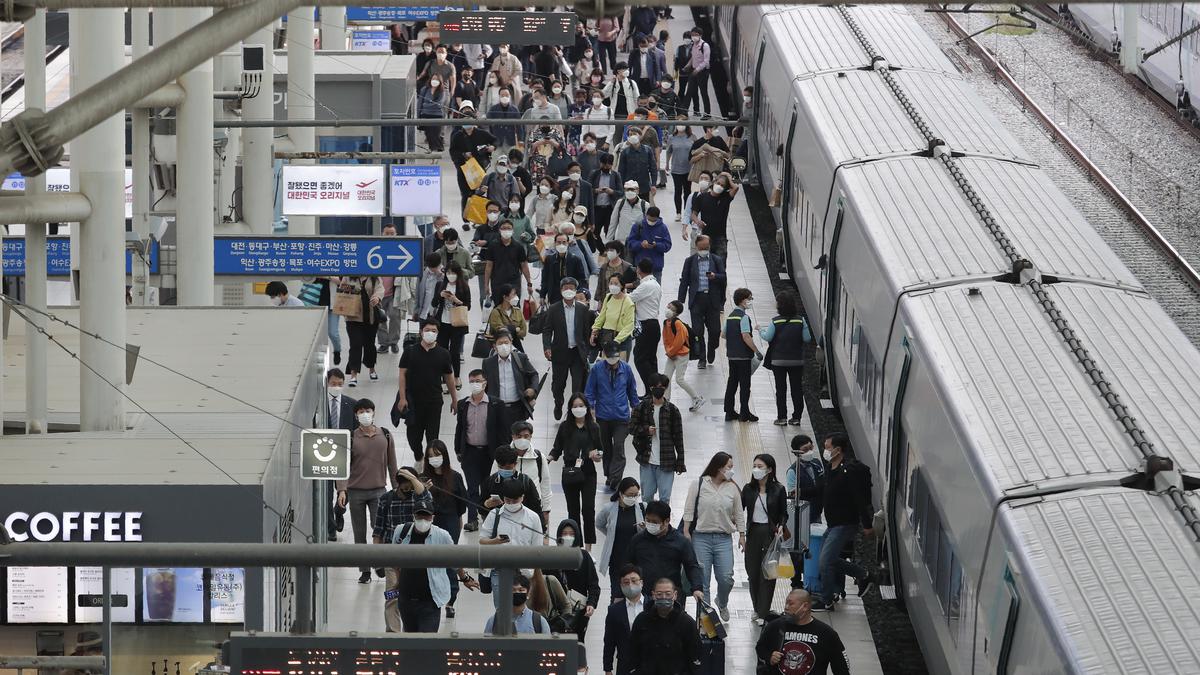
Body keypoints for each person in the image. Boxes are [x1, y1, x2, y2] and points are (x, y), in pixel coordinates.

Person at [335, 400, 400, 583]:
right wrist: (342, 490)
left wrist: (396, 489)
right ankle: (365, 571)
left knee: (378, 530)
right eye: (361, 411)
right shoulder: (351, 438)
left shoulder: (385, 435)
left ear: (374, 412)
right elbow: (343, 467)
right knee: (359, 532)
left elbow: (392, 464)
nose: (365, 414)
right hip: (356, 492)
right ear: (356, 415)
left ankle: (379, 562)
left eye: (368, 410)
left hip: (379, 491)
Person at [389, 503, 480, 633]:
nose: (423, 520)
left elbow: (455, 560)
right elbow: (394, 560)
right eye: (420, 516)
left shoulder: (442, 536)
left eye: (427, 517)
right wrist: (398, 581)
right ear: (413, 516)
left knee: (427, 643)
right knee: (409, 640)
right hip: (406, 599)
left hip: (430, 601)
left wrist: (465, 578)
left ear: (433, 517)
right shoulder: (401, 531)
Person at [813, 434, 875, 611]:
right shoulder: (830, 468)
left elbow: (859, 499)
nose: (825, 450)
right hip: (833, 524)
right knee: (827, 559)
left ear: (838, 450)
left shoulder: (848, 472)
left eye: (827, 447)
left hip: (845, 523)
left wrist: (867, 524)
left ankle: (826, 599)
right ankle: (863, 575)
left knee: (825, 561)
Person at [681, 451, 746, 620]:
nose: (731, 470)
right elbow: (689, 509)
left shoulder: (732, 488)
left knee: (726, 577)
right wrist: (686, 531)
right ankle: (707, 619)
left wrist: (742, 534)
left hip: (723, 539)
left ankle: (722, 602)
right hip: (701, 538)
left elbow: (739, 513)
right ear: (718, 467)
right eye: (729, 467)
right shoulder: (699, 484)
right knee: (703, 580)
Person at [375, 467, 433, 626]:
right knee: (392, 596)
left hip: (417, 556)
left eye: (412, 486)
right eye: (405, 487)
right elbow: (378, 531)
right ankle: (392, 633)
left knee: (416, 596)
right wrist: (377, 560)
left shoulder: (418, 498)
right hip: (392, 556)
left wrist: (413, 478)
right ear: (398, 485)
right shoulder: (386, 499)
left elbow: (425, 496)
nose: (409, 490)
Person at [419, 440, 469, 617]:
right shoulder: (423, 477)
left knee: (450, 562)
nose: (434, 459)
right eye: (430, 456)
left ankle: (450, 601)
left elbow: (462, 502)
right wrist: (425, 490)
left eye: (437, 455)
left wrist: (458, 519)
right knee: (429, 561)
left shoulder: (455, 476)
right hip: (429, 522)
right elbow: (418, 502)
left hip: (450, 521)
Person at [397, 319, 457, 462]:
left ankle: (430, 463)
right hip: (413, 401)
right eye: (427, 330)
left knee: (432, 437)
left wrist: (455, 399)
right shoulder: (410, 351)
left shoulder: (443, 354)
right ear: (421, 332)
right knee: (413, 436)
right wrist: (402, 397)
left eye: (434, 331)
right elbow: (402, 375)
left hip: (434, 402)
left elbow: (449, 378)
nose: (430, 333)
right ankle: (418, 456)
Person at [454, 369, 505, 532]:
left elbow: (502, 430)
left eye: (478, 380)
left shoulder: (496, 404)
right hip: (469, 451)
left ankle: (484, 513)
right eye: (472, 381)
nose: (475, 384)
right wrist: (458, 449)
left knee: (486, 485)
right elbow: (460, 428)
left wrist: (502, 452)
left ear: (485, 382)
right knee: (472, 487)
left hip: (488, 452)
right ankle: (472, 519)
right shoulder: (463, 404)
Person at [480, 480, 546, 606]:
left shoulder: (533, 518)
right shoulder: (495, 515)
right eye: (507, 500)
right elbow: (482, 540)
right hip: (499, 571)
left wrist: (534, 577)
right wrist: (495, 541)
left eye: (514, 500)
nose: (510, 503)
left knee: (521, 611)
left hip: (524, 573)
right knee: (502, 610)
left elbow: (538, 549)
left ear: (522, 497)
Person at [585, 341, 640, 491]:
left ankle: (616, 478)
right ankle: (609, 475)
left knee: (619, 447)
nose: (613, 364)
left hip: (622, 417)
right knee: (606, 448)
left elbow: (632, 391)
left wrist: (636, 409)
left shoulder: (626, 369)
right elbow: (589, 391)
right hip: (603, 417)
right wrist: (590, 409)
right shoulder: (596, 369)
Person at [550, 394, 604, 546]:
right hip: (570, 472)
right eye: (575, 406)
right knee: (573, 511)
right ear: (570, 409)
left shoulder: (594, 427)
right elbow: (557, 448)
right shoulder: (565, 427)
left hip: (588, 472)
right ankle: (576, 546)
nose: (578, 409)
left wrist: (597, 455)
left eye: (581, 405)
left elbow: (601, 450)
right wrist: (547, 459)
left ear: (586, 407)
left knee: (588, 509)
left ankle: (588, 547)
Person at [756, 589, 851, 675]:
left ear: (805, 606)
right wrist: (769, 657)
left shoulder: (826, 633)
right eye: (786, 603)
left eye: (791, 604)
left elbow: (841, 667)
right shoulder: (776, 626)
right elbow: (760, 647)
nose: (786, 607)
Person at [624, 500, 704, 599]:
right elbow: (628, 565)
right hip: (644, 595)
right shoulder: (638, 539)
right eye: (648, 520)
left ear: (666, 521)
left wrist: (697, 588)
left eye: (655, 522)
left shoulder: (681, 541)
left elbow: (691, 566)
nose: (650, 524)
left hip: (670, 596)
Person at [743, 453, 789, 624]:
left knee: (768, 574)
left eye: (760, 466)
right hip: (753, 532)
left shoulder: (778, 489)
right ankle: (757, 607)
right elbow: (738, 509)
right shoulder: (748, 489)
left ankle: (763, 613)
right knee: (752, 572)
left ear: (770, 469)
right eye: (755, 465)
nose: (756, 469)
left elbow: (784, 513)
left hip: (770, 533)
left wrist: (781, 526)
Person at [543, 277, 596, 419]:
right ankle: (558, 403)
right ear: (561, 290)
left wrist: (586, 351)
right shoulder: (554, 309)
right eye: (565, 288)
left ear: (575, 290)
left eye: (571, 288)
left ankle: (573, 412)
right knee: (558, 385)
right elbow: (547, 330)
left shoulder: (582, 309)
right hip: (560, 353)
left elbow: (586, 332)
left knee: (577, 386)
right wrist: (547, 347)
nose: (568, 290)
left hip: (577, 353)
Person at [626, 578, 702, 675]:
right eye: (659, 594)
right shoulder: (642, 620)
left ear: (675, 595)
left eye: (668, 594)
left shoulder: (686, 623)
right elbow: (633, 651)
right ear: (653, 595)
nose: (664, 597)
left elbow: (695, 655)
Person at [630, 373, 685, 504]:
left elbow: (678, 437)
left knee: (665, 499)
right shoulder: (642, 407)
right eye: (656, 387)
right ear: (651, 387)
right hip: (646, 460)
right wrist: (645, 430)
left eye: (662, 387)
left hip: (667, 461)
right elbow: (631, 428)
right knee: (646, 497)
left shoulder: (672, 410)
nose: (659, 389)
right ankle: (648, 522)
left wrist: (680, 461)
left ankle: (663, 524)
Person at [544, 519, 602, 640]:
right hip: (555, 613)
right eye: (564, 534)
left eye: (572, 534)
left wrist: (591, 603)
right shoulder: (550, 556)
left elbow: (593, 584)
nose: (568, 537)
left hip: (579, 611)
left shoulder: (584, 557)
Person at [677, 236, 726, 369]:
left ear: (709, 246)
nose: (704, 250)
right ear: (696, 246)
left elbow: (723, 278)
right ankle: (702, 358)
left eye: (706, 247)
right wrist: (680, 300)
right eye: (701, 247)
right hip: (697, 300)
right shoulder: (690, 261)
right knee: (698, 331)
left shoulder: (716, 260)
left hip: (712, 300)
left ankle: (712, 348)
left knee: (715, 330)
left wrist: (715, 277)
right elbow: (684, 280)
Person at [785, 434, 825, 590]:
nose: (809, 451)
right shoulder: (793, 471)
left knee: (814, 547)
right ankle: (796, 581)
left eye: (810, 447)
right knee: (798, 549)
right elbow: (793, 494)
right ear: (796, 452)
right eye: (805, 449)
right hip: (800, 516)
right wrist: (815, 490)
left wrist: (807, 491)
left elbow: (822, 486)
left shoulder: (817, 464)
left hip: (816, 512)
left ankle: (812, 575)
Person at [762, 291, 808, 426]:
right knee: (797, 389)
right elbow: (807, 338)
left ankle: (782, 418)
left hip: (778, 361)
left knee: (781, 390)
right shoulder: (800, 320)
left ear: (779, 305)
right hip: (796, 360)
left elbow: (768, 337)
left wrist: (760, 330)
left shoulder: (775, 321)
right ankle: (796, 418)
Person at [323, 368, 358, 540]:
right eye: (333, 384)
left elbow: (356, 432)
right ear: (327, 384)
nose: (336, 387)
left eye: (339, 384)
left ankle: (339, 511)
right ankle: (331, 528)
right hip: (326, 455)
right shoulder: (321, 404)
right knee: (327, 492)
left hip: (346, 456)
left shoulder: (351, 404)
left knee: (346, 491)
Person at [595, 478, 646, 596]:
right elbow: (599, 523)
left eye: (636, 495)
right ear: (621, 494)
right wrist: (611, 534)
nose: (633, 498)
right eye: (630, 495)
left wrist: (645, 529)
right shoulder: (609, 508)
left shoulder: (643, 508)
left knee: (636, 594)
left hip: (636, 560)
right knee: (617, 595)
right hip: (616, 559)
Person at [482, 329, 538, 428]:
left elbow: (534, 374)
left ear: (511, 344)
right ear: (494, 346)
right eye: (500, 343)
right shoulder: (488, 363)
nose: (504, 346)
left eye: (506, 342)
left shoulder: (521, 359)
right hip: (497, 408)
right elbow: (484, 384)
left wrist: (532, 389)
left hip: (517, 408)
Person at [724, 287, 761, 422]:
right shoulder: (744, 317)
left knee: (732, 383)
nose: (751, 301)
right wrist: (756, 351)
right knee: (745, 386)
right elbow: (746, 336)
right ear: (742, 300)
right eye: (749, 298)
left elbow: (723, 334)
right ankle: (744, 414)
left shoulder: (730, 316)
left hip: (732, 356)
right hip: (744, 357)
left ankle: (729, 412)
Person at [603, 563, 646, 675]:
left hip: (650, 664)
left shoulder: (652, 606)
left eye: (634, 580)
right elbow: (609, 641)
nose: (630, 585)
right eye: (626, 582)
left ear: (641, 583)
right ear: (621, 586)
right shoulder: (614, 611)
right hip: (625, 665)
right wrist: (608, 669)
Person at [340, 276, 384, 387]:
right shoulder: (348, 276)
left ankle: (371, 369)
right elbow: (342, 290)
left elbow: (380, 289)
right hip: (353, 318)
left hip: (371, 317)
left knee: (369, 345)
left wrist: (377, 297)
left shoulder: (374, 277)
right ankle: (353, 375)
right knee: (355, 345)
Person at [482, 445, 544, 522]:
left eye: (508, 468)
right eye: (501, 467)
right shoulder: (490, 481)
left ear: (515, 464)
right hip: (497, 525)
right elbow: (480, 508)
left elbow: (536, 507)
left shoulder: (525, 481)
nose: (504, 470)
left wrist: (542, 528)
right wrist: (486, 504)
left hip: (523, 524)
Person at [508, 420, 552, 528]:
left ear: (531, 437)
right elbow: (494, 479)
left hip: (533, 507)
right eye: (519, 436)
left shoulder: (539, 457)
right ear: (513, 437)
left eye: (526, 436)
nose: (522, 439)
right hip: (509, 507)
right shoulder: (504, 455)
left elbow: (545, 484)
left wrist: (546, 510)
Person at [449, 113, 497, 211]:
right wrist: (463, 155)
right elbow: (452, 151)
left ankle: (477, 218)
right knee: (466, 194)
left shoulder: (481, 133)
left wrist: (492, 147)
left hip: (479, 169)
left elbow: (495, 140)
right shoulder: (457, 136)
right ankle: (466, 218)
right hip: (464, 169)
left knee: (479, 193)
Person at [661, 300, 703, 410]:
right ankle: (666, 400)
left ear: (676, 313)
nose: (669, 310)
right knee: (666, 378)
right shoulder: (666, 323)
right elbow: (665, 339)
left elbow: (680, 340)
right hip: (672, 354)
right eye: (669, 306)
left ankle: (696, 398)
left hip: (682, 355)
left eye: (672, 309)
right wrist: (669, 353)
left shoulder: (678, 323)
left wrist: (671, 352)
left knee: (679, 379)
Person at [434, 260, 471, 382]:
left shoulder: (464, 286)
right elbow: (434, 303)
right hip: (443, 322)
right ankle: (445, 378)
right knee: (443, 351)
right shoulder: (440, 285)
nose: (450, 275)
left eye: (453, 272)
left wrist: (456, 300)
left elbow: (468, 306)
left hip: (457, 323)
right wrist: (440, 296)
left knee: (455, 352)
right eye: (448, 272)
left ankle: (456, 377)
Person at [628, 260, 663, 389]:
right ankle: (655, 389)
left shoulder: (646, 285)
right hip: (653, 324)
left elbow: (629, 299)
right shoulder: (655, 284)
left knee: (640, 358)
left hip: (646, 325)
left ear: (639, 270)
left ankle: (651, 388)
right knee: (650, 359)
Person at [483, 220, 533, 307]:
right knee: (499, 309)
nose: (506, 230)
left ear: (513, 231)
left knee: (514, 309)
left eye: (509, 228)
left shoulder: (518, 247)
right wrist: (486, 285)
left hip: (514, 283)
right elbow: (489, 266)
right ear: (499, 230)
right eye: (504, 228)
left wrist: (529, 284)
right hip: (497, 283)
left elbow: (524, 266)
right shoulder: (493, 246)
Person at [690, 172, 739, 259]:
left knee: (720, 264)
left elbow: (736, 188)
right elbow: (693, 215)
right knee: (705, 263)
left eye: (722, 185)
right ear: (714, 182)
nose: (719, 186)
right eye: (718, 183)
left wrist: (727, 176)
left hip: (720, 237)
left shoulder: (725, 197)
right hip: (705, 236)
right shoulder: (702, 197)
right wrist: (698, 222)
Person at [484, 573, 553, 633]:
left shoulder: (539, 621)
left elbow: (547, 646)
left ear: (528, 594)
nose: (517, 592)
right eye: (513, 590)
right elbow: (485, 646)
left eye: (521, 590)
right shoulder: (494, 621)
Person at [592, 273, 637, 358]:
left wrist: (617, 341)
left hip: (622, 341)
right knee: (605, 367)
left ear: (622, 285)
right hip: (607, 337)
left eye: (616, 284)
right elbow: (602, 316)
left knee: (620, 369)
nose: (612, 286)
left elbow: (629, 325)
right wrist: (594, 330)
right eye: (611, 283)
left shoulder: (628, 302)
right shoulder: (608, 297)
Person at [627, 206, 672, 281]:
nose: (651, 222)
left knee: (655, 290)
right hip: (640, 268)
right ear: (646, 215)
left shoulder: (663, 228)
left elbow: (667, 245)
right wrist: (640, 244)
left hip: (656, 267)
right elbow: (630, 243)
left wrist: (656, 245)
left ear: (657, 218)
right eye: (649, 219)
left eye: (653, 220)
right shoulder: (638, 226)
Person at [541, 233, 588, 304]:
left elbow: (582, 279)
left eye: (564, 242)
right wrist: (542, 295)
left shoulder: (575, 259)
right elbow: (545, 278)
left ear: (568, 243)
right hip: (554, 295)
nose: (561, 245)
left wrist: (580, 293)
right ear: (555, 243)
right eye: (559, 242)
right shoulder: (549, 259)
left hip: (571, 294)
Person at [487, 284, 529, 352]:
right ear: (505, 297)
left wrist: (513, 331)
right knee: (510, 329)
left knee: (511, 329)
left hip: (514, 343)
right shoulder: (496, 312)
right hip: (500, 346)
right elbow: (500, 331)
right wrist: (516, 329)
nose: (516, 297)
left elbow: (524, 331)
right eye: (513, 294)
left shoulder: (518, 311)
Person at [665, 125, 694, 221]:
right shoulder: (671, 137)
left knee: (687, 191)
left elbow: (696, 150)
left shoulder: (692, 137)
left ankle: (687, 211)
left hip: (689, 168)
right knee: (678, 190)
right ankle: (678, 213)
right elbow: (668, 151)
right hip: (676, 168)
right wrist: (667, 164)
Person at [617, 130, 656, 202]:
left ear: (640, 136)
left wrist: (653, 184)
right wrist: (621, 187)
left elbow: (653, 168)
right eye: (630, 134)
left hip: (644, 187)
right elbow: (621, 171)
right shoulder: (625, 152)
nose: (632, 136)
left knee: (644, 208)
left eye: (634, 134)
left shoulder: (647, 150)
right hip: (629, 188)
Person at [608, 181, 650, 246]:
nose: (630, 192)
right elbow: (613, 223)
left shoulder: (645, 205)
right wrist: (609, 243)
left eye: (632, 189)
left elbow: (649, 224)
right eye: (627, 189)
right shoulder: (620, 203)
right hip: (622, 243)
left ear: (637, 191)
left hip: (638, 243)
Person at [683, 28, 712, 117]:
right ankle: (684, 113)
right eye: (692, 35)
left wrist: (697, 69)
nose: (693, 37)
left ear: (700, 35)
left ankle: (707, 114)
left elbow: (706, 61)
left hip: (702, 72)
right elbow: (693, 57)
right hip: (694, 71)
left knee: (703, 93)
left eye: (695, 35)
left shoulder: (705, 46)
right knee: (689, 91)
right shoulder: (693, 45)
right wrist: (688, 65)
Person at [418, 76, 450, 152]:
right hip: (425, 115)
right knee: (428, 134)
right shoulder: (424, 89)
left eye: (436, 79)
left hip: (437, 115)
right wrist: (418, 115)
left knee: (435, 134)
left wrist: (426, 105)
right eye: (433, 79)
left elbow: (439, 103)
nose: (434, 81)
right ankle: (431, 149)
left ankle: (438, 149)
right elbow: (420, 103)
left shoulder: (443, 91)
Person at [592, 154, 621, 237]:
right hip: (596, 208)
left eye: (607, 166)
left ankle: (609, 249)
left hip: (610, 208)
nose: (605, 168)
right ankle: (602, 250)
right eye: (603, 166)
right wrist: (596, 191)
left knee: (609, 233)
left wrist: (612, 192)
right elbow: (587, 189)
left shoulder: (616, 175)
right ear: (600, 163)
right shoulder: (594, 174)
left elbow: (621, 192)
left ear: (611, 165)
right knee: (595, 233)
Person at [486, 87, 522, 153]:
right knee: (495, 161)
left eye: (507, 95)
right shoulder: (493, 109)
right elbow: (488, 124)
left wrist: (520, 139)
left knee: (511, 161)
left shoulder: (514, 109)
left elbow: (519, 126)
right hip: (496, 141)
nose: (504, 97)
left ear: (510, 96)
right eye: (502, 95)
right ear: (499, 96)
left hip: (510, 141)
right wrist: (490, 140)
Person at [413, 253, 445, 325]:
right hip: (423, 313)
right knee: (423, 334)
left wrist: (441, 275)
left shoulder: (445, 273)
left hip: (438, 314)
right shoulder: (423, 273)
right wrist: (415, 311)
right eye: (430, 267)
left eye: (434, 267)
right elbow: (417, 294)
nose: (432, 269)